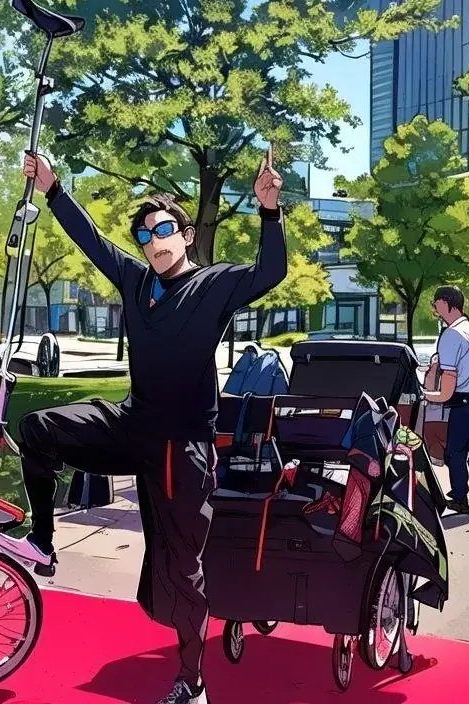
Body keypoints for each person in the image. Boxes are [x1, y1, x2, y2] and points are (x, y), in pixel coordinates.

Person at [18, 147, 287, 704]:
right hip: (133, 424)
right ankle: (42, 541)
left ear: (185, 236)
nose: (154, 241)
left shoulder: (213, 285)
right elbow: (92, 242)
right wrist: (53, 189)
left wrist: (268, 210)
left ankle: (192, 681)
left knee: (182, 570)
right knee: (39, 427)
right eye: (145, 236)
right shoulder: (137, 282)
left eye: (164, 230)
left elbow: (271, 271)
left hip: (181, 449)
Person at [422, 286, 469, 514]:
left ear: (447, 303)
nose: (434, 306)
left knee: (455, 451)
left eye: (437, 302)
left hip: (462, 402)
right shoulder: (467, 328)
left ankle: (459, 498)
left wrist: (426, 395)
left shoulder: (451, 335)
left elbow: (447, 387)